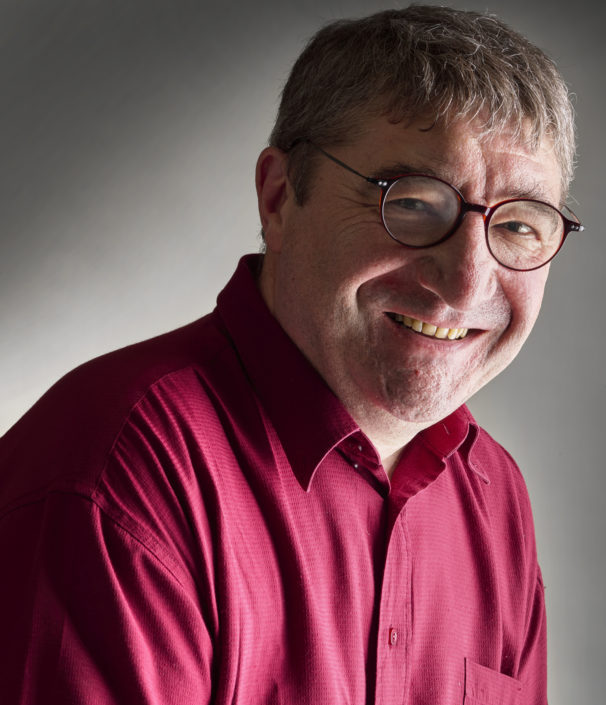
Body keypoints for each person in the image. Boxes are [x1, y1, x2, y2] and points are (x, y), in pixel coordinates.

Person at [0, 6, 582, 704]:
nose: (465, 283)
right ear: (279, 197)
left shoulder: (495, 496)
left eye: (518, 224)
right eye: (414, 203)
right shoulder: (118, 471)